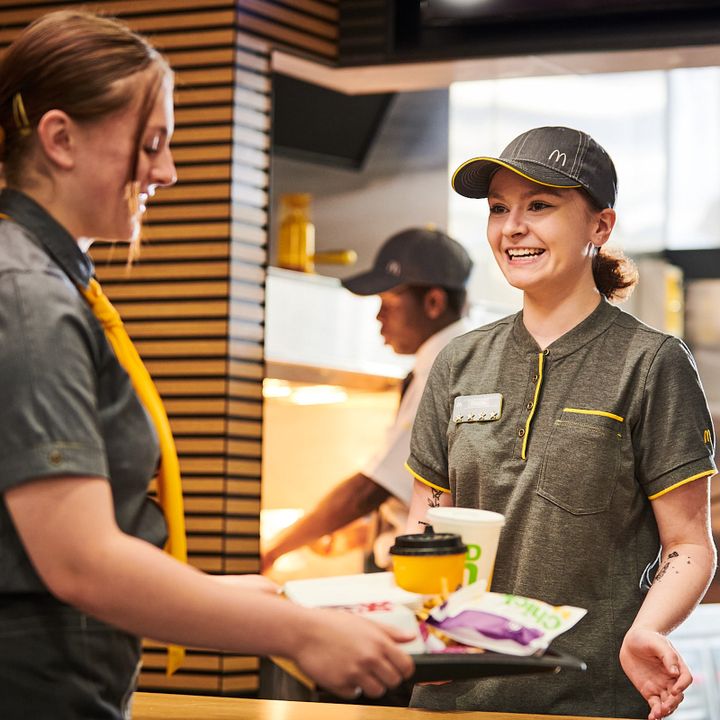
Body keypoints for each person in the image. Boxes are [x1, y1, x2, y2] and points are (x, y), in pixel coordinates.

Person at [0, 11, 414, 719]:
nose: (167, 171)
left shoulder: (48, 279)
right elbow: (79, 561)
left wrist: (221, 594)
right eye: (152, 143)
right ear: (60, 139)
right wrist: (301, 631)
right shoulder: (27, 294)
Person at [405, 126, 717, 720]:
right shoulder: (457, 361)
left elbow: (688, 545)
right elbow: (425, 522)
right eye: (499, 209)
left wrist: (647, 629)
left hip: (589, 699)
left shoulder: (651, 363)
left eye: (539, 206)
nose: (512, 227)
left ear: (600, 226)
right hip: (449, 698)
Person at [262, 227, 473, 572]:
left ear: (433, 302)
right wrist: (365, 532)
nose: (378, 318)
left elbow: (368, 489)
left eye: (387, 304)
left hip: (420, 573)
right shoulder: (449, 361)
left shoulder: (447, 366)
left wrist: (274, 549)